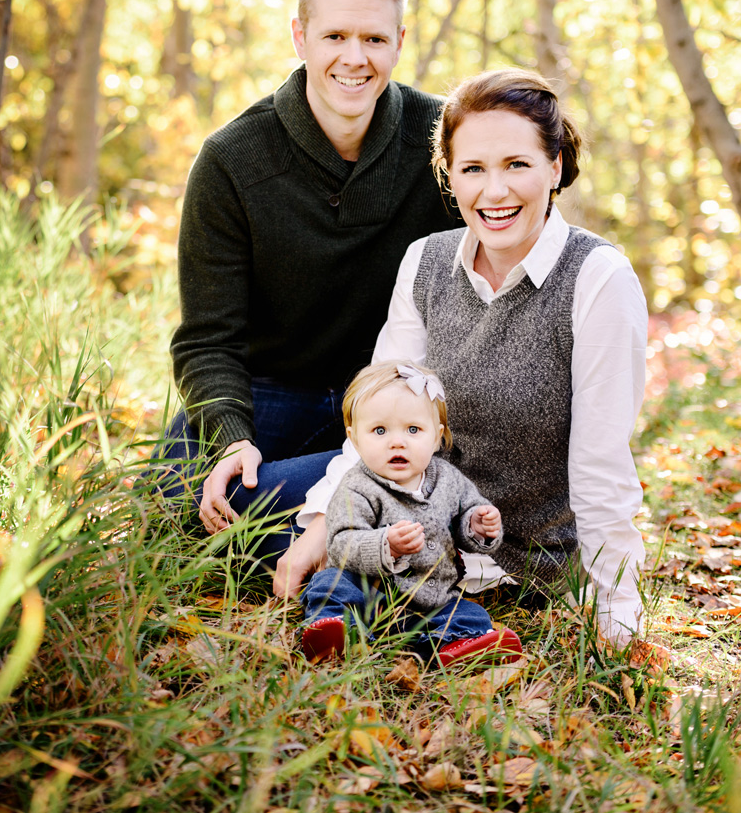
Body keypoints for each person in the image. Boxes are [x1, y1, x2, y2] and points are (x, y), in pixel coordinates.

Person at [276, 69, 649, 647]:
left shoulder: (596, 276)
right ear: (450, 177)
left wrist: (615, 613)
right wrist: (323, 527)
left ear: (555, 166)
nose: (493, 192)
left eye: (516, 165)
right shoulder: (426, 261)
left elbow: (602, 464)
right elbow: (383, 409)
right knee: (209, 495)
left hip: (518, 553)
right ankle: (349, 606)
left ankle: (436, 626)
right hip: (408, 516)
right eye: (472, 169)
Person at [161, 0, 463, 560]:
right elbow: (207, 340)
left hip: (398, 401)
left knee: (448, 462)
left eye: (375, 40)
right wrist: (231, 440)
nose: (355, 59)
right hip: (277, 391)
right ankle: (387, 527)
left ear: (400, 41)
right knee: (178, 498)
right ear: (300, 37)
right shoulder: (231, 160)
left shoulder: (444, 141)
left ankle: (367, 522)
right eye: (335, 36)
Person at [299, 360, 524, 667]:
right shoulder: (356, 487)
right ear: (354, 438)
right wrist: (385, 545)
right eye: (379, 430)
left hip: (431, 599)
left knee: (470, 614)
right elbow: (340, 543)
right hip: (371, 595)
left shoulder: (449, 479)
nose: (397, 441)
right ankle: (340, 632)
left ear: (436, 437)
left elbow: (466, 518)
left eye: (413, 429)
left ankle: (443, 648)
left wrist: (478, 526)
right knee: (329, 585)